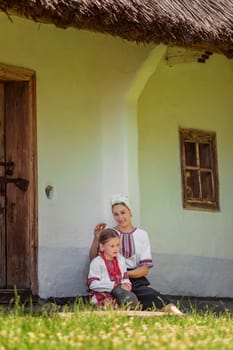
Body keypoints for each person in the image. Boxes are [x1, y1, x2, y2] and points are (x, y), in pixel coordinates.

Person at [89, 194, 183, 315]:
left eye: (123, 212)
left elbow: (144, 269)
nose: (120, 217)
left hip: (134, 279)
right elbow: (94, 259)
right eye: (116, 214)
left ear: (130, 212)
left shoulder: (142, 235)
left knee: (153, 296)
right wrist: (97, 238)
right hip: (110, 279)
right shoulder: (111, 233)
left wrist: (123, 276)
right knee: (112, 298)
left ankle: (179, 315)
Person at [88, 228, 138, 308]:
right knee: (110, 304)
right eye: (112, 246)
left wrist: (127, 285)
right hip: (103, 293)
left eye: (118, 245)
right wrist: (112, 286)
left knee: (130, 300)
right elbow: (92, 284)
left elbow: (125, 278)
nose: (116, 249)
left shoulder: (120, 260)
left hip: (119, 293)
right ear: (102, 247)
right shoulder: (97, 262)